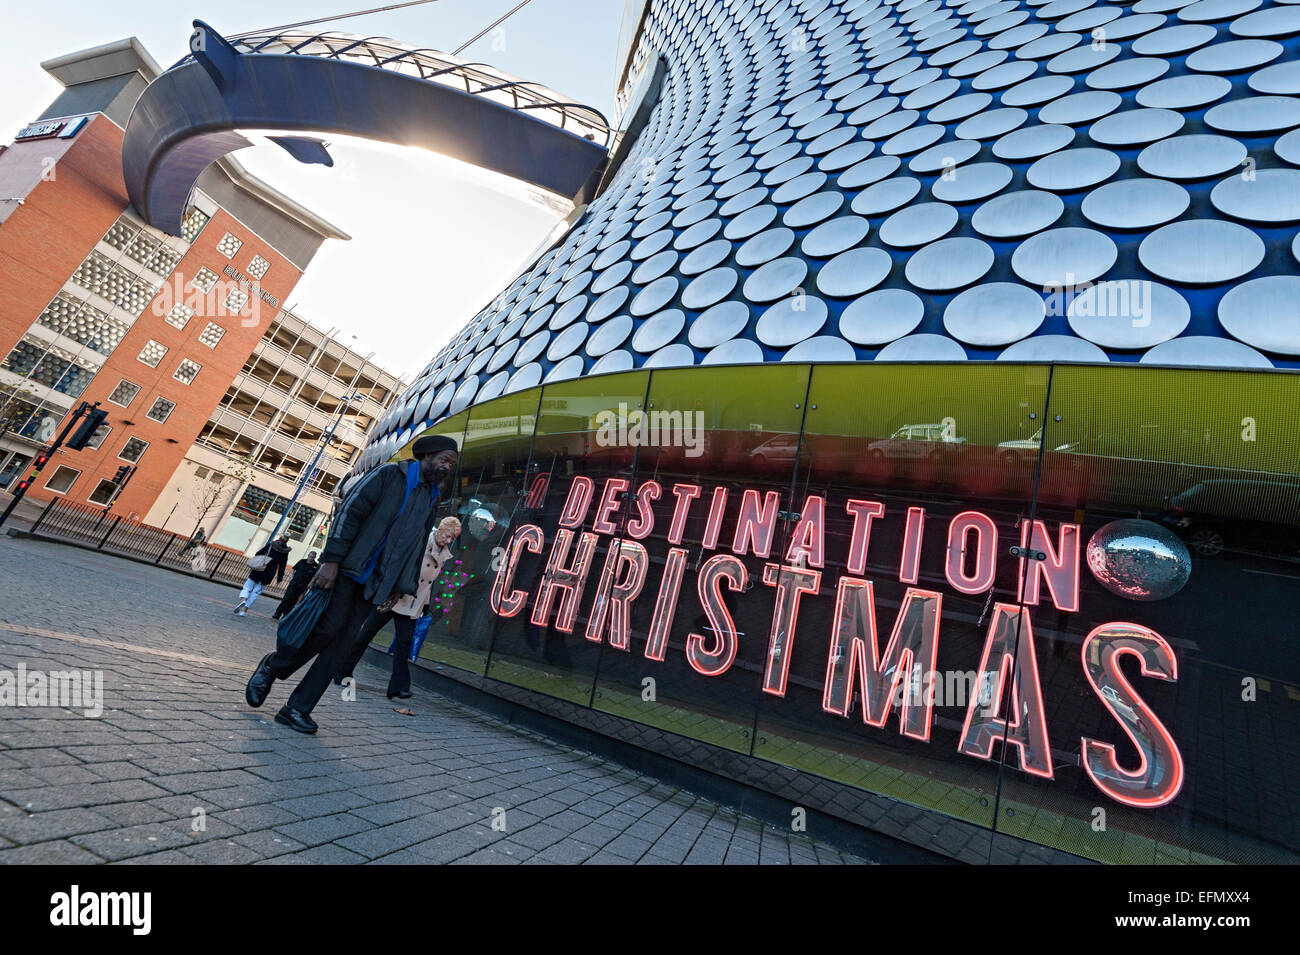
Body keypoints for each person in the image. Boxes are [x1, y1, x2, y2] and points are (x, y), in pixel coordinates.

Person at [243, 435, 459, 734]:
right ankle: (272, 666)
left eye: (452, 463)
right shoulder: (389, 475)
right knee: (327, 631)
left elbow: (417, 543)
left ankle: (297, 708)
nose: (447, 466)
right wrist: (331, 561)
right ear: (428, 455)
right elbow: (350, 512)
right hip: (348, 570)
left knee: (342, 646)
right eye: (444, 459)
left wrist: (402, 584)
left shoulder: (431, 496)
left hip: (378, 583)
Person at [334, 516, 462, 698]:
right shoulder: (422, 541)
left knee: (404, 643)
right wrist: (390, 590)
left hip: (412, 603)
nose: (449, 541)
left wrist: (425, 604)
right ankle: (341, 671)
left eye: (452, 538)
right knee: (365, 635)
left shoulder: (443, 552)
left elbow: (429, 582)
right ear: (440, 529)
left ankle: (398, 687)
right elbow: (400, 565)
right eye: (448, 536)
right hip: (395, 597)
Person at [234, 536, 290, 617]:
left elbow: (258, 553)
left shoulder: (271, 545)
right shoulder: (285, 552)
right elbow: (282, 566)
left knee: (247, 587)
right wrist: (279, 579)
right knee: (256, 593)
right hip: (269, 573)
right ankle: (244, 611)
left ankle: (243, 600)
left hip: (259, 569)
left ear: (280, 537)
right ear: (287, 541)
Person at [273, 550, 320, 620]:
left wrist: (311, 583)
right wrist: (291, 577)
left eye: (312, 557)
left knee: (293, 600)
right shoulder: (302, 561)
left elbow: (315, 576)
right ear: (308, 555)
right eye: (309, 556)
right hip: (294, 583)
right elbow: (293, 569)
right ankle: (277, 613)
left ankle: (285, 615)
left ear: (314, 557)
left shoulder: (315, 566)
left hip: (303, 586)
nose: (310, 558)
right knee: (287, 598)